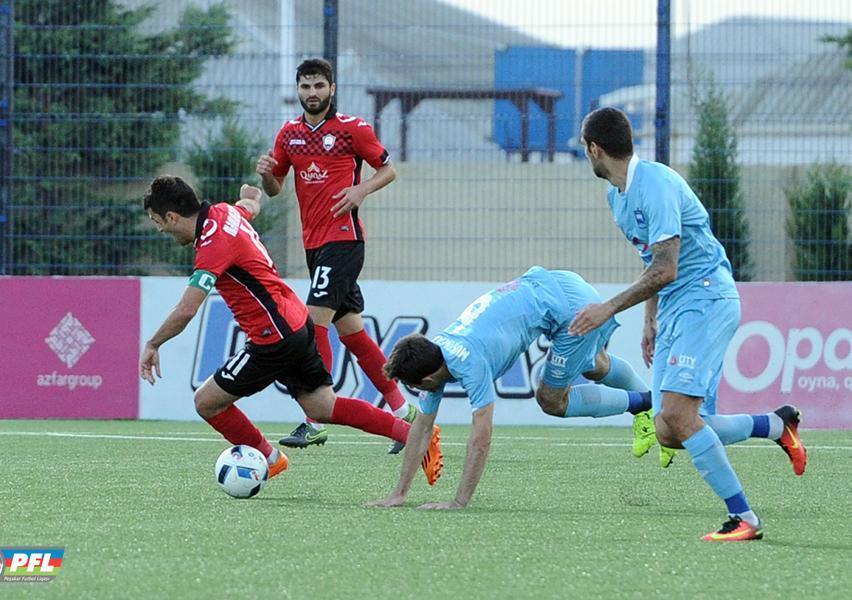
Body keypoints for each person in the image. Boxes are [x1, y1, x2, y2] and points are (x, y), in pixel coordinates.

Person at [571, 107, 807, 541]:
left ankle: (745, 518)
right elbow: (653, 261)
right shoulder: (617, 196)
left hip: (705, 299)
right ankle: (776, 425)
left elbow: (667, 268)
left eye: (584, 148)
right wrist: (650, 319)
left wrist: (608, 309)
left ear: (594, 148)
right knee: (668, 430)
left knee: (679, 416)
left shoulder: (656, 185)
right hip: (678, 307)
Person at [138, 176, 443, 487]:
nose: (160, 229)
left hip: (273, 338)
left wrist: (152, 344)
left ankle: (270, 460)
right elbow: (247, 207)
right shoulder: (225, 213)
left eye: (157, 221)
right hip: (297, 323)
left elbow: (187, 309)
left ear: (172, 217)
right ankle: (415, 434)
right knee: (322, 407)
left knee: (206, 402)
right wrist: (253, 196)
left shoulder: (213, 244)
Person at [368, 267, 656, 510]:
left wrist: (458, 502)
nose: (414, 390)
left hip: (572, 310)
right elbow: (421, 427)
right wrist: (399, 494)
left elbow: (481, 437)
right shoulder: (437, 351)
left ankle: (645, 403)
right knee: (595, 366)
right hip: (561, 282)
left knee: (552, 400)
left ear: (428, 380)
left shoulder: (470, 363)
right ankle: (653, 407)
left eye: (412, 386)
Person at [256, 57, 414, 453]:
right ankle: (403, 410)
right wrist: (266, 174)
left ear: (332, 89)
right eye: (305, 86)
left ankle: (315, 418)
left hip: (343, 241)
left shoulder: (351, 129)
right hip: (315, 245)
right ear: (298, 90)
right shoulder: (289, 134)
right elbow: (275, 188)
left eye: (318, 86)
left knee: (313, 325)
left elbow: (389, 170)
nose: (312, 93)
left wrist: (361, 190)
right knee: (353, 333)